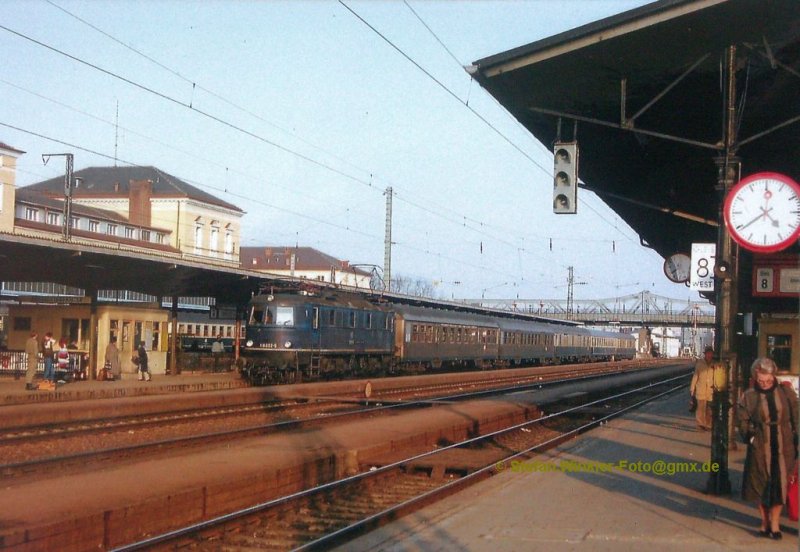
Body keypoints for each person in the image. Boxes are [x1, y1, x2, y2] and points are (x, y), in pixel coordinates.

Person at [738, 357, 798, 540]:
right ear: (755, 378)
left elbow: (797, 416)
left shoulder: (786, 393)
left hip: (784, 447)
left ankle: (775, 523)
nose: (764, 384)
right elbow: (742, 421)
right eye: (761, 381)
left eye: (768, 380)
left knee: (780, 486)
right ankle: (764, 521)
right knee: (760, 485)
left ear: (774, 376)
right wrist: (750, 435)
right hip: (760, 448)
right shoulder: (749, 396)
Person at [689, 346, 714, 431]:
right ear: (705, 354)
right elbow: (695, 376)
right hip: (701, 390)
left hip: (711, 391)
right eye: (707, 353)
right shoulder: (700, 364)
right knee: (700, 409)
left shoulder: (714, 364)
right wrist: (692, 389)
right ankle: (700, 424)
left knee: (709, 410)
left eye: (710, 353)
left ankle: (708, 424)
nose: (709, 355)